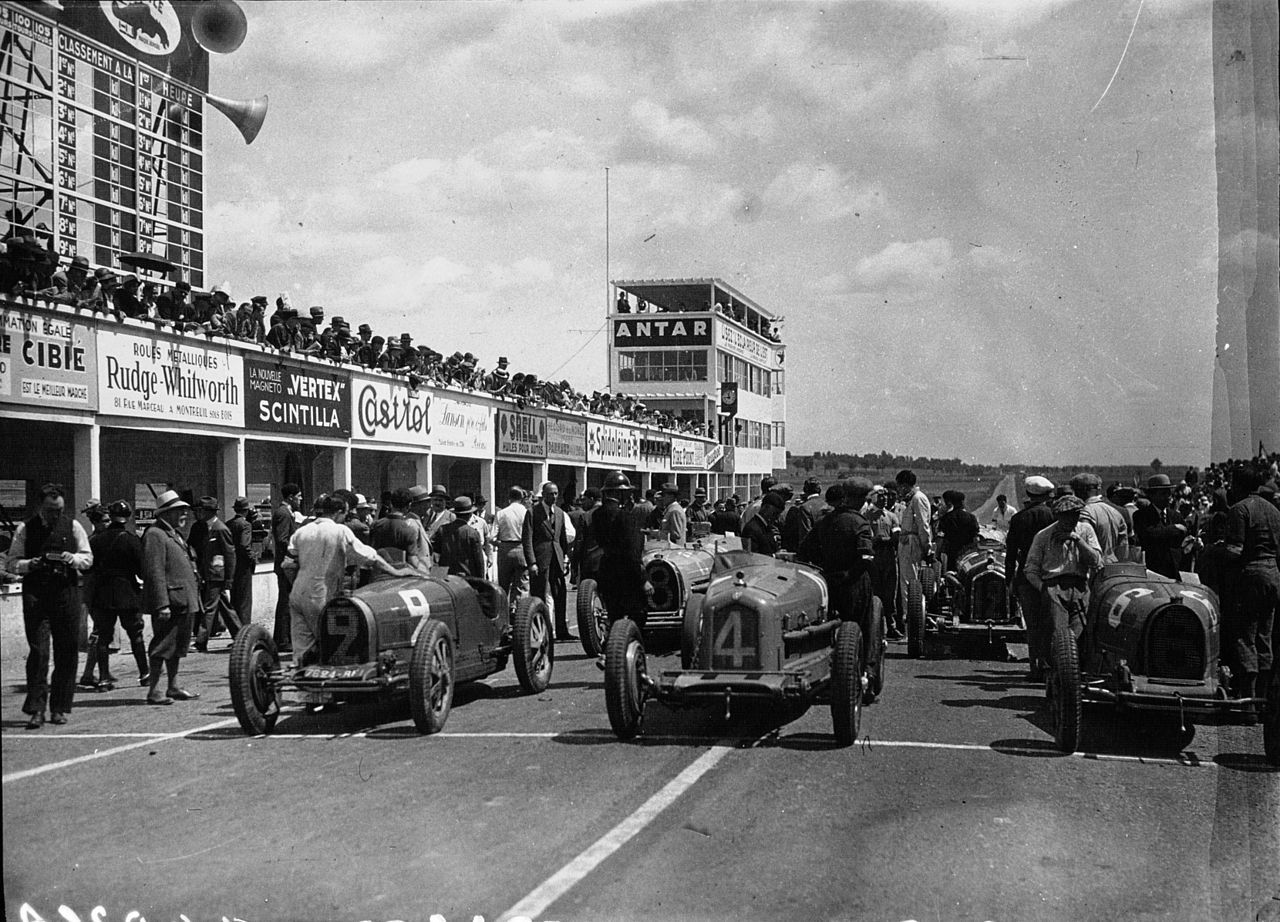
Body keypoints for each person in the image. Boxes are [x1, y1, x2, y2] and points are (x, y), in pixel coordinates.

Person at [283, 495, 410, 698]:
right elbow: (369, 557)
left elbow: (288, 565)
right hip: (322, 593)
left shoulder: (302, 531)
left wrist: (297, 586)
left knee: (302, 647)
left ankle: (308, 696)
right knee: (327, 645)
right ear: (339, 512)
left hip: (298, 593)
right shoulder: (340, 530)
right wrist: (396, 572)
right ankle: (327, 694)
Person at [6, 483, 93, 728]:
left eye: (59, 510)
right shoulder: (25, 529)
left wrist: (72, 559)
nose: (55, 515)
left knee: (67, 651)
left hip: (66, 594)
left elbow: (87, 558)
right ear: (40, 508)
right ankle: (37, 709)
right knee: (39, 652)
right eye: (50, 510)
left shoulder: (73, 526)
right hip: (37, 595)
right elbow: (11, 562)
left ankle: (60, 708)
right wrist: (30, 564)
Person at [1216, 466, 1280, 721]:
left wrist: (1213, 551)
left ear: (1238, 485)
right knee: (1265, 638)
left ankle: (1247, 706)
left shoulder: (1239, 509)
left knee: (1245, 637)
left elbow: (1235, 551)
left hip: (1250, 577)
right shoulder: (1274, 511)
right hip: (1273, 575)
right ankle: (1265, 704)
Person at [79, 500, 149, 692]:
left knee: (103, 637)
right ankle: (145, 674)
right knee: (136, 635)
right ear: (127, 518)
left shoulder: (95, 540)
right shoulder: (131, 539)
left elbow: (88, 568)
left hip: (102, 594)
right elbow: (142, 570)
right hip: (127, 593)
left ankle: (103, 679)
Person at [140, 490, 201, 706]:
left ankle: (173, 686)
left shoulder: (174, 534)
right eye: (179, 511)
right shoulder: (155, 534)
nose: (184, 514)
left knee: (178, 646)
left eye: (185, 510)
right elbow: (154, 571)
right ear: (166, 513)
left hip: (183, 600)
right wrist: (161, 603)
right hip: (171, 602)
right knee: (162, 645)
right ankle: (155, 690)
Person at [1024, 493, 1102, 653]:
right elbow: (1030, 569)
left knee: (1081, 630)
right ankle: (1054, 670)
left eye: (1075, 515)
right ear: (1057, 516)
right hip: (1053, 586)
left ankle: (1075, 670)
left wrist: (1077, 540)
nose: (1071, 520)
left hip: (1080, 586)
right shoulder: (1043, 536)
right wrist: (1043, 589)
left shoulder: (1086, 531)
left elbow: (1096, 561)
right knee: (1057, 633)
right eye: (1066, 516)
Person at [799, 479, 876, 636]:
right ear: (860, 500)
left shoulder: (824, 521)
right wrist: (849, 576)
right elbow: (866, 557)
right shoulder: (860, 523)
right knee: (860, 629)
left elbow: (804, 551)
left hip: (829, 582)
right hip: (855, 584)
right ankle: (867, 660)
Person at [592, 471, 652, 666]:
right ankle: (634, 653)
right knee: (638, 614)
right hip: (628, 574)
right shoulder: (626, 517)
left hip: (607, 570)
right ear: (621, 495)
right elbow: (632, 552)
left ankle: (609, 652)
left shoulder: (597, 515)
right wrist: (643, 580)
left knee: (614, 615)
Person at [1006, 475, 1057, 679]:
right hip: (1051, 575)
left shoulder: (1019, 518)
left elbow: (1010, 553)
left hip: (1026, 577)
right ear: (1047, 495)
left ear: (1028, 494)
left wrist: (1009, 579)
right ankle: (1051, 666)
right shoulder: (1054, 516)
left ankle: (1035, 667)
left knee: (1032, 624)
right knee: (1051, 622)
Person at [523, 481, 574, 641]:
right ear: (543, 495)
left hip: (557, 559)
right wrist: (531, 562)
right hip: (540, 560)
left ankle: (561, 631)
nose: (554, 496)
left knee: (560, 594)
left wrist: (565, 558)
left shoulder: (559, 513)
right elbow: (527, 539)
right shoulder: (533, 512)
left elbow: (562, 538)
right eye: (550, 493)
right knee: (539, 595)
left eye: (556, 493)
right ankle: (542, 632)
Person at [188, 496, 238, 652]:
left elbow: (230, 555)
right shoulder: (203, 528)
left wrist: (229, 578)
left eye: (201, 511)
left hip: (218, 575)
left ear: (209, 512)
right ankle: (240, 635)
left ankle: (201, 642)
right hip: (209, 574)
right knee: (225, 607)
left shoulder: (221, 529)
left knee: (209, 607)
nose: (199, 513)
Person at [895, 469, 933, 631]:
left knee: (909, 581)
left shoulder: (918, 499)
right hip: (908, 540)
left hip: (912, 542)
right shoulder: (913, 499)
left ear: (905, 485)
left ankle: (911, 619)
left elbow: (924, 526)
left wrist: (927, 548)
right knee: (906, 580)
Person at [1133, 474, 1189, 579]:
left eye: (1169, 493)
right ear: (1152, 495)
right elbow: (1150, 535)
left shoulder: (1176, 515)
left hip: (1176, 572)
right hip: (1154, 572)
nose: (1168, 497)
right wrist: (1174, 528)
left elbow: (1185, 537)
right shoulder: (1141, 516)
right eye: (1163, 493)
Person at [864, 485, 902, 639]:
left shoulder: (892, 516)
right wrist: (879, 540)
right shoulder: (867, 515)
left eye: (885, 495)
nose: (884, 498)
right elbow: (870, 538)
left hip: (889, 559)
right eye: (880, 496)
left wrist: (882, 539)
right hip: (874, 558)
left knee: (889, 593)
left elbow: (896, 537)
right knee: (874, 591)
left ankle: (891, 626)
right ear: (873, 497)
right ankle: (873, 627)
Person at [1070, 472, 1130, 564]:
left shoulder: (1084, 512)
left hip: (1094, 569)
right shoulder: (1115, 511)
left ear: (1081, 491)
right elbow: (1124, 547)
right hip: (1114, 567)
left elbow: (1083, 545)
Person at [271, 483, 303, 653]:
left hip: (286, 563)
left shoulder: (285, 512)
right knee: (285, 602)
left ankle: (283, 638)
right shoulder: (283, 513)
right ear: (291, 497)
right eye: (298, 496)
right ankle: (282, 640)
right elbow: (283, 539)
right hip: (286, 564)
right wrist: (296, 549)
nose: (301, 499)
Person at [370, 487, 430, 571]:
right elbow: (412, 560)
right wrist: (427, 572)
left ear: (391, 503)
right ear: (409, 505)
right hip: (399, 575)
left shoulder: (376, 525)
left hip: (379, 574)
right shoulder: (409, 530)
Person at [434, 496, 487, 578]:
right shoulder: (472, 533)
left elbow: (436, 556)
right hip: (466, 578)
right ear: (470, 514)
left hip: (446, 577)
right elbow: (479, 561)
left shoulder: (442, 530)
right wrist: (480, 580)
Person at [227, 497, 259, 632]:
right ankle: (244, 632)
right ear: (246, 511)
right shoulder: (245, 525)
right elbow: (244, 545)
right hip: (244, 567)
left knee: (235, 599)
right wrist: (253, 558)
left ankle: (236, 631)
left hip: (233, 565)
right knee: (245, 601)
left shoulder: (229, 523)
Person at [493, 487, 531, 598]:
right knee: (521, 584)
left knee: (503, 585)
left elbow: (491, 537)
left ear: (509, 498)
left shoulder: (501, 513)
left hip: (505, 549)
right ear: (522, 498)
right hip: (522, 548)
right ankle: (517, 609)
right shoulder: (526, 512)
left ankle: (503, 608)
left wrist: (501, 544)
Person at [935, 491, 979, 569]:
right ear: (962, 502)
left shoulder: (946, 518)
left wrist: (937, 554)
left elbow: (940, 537)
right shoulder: (971, 517)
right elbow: (976, 538)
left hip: (952, 553)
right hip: (967, 554)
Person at [741, 491, 785, 555]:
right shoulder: (752, 529)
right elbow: (751, 556)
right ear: (765, 507)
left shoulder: (765, 527)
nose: (776, 518)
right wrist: (775, 556)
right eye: (775, 513)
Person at [656, 482, 687, 546]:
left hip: (674, 550)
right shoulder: (670, 509)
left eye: (663, 495)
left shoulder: (674, 511)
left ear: (671, 496)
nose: (662, 498)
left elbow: (676, 534)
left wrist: (656, 533)